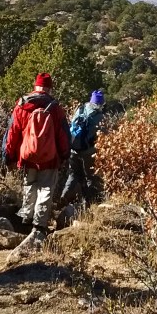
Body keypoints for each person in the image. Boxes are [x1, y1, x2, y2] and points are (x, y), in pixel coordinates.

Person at [3, 72, 70, 263]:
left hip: (28, 156)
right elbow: (63, 136)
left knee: (29, 184)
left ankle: (26, 217)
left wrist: (9, 155)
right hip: (50, 158)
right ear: (49, 88)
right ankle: (39, 226)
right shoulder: (56, 108)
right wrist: (64, 154)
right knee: (46, 189)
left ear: (35, 86)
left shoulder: (23, 104)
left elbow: (13, 132)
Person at [56, 90, 105, 226]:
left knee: (73, 174)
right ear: (101, 103)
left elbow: (71, 126)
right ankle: (89, 203)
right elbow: (103, 135)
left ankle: (64, 196)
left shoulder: (81, 109)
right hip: (89, 151)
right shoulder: (99, 116)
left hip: (73, 149)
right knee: (90, 177)